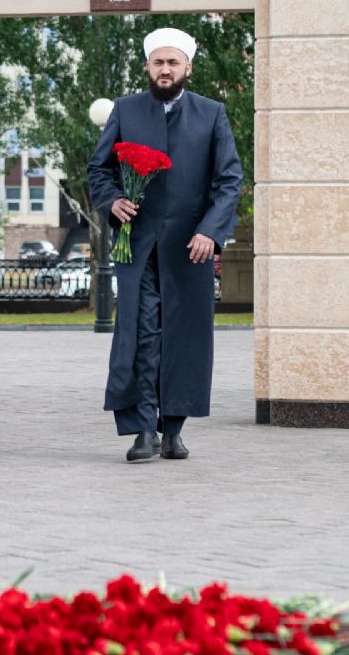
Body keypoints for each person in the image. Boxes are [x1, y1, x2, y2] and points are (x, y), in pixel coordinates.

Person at [87, 27, 244, 463]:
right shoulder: (126, 110)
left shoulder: (211, 114)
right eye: (158, 62)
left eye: (173, 62)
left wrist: (211, 231)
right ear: (147, 66)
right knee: (140, 335)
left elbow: (229, 180)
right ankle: (142, 431)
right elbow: (98, 171)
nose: (165, 69)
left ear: (187, 67)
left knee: (185, 337)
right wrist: (112, 200)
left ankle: (173, 429)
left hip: (190, 249)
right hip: (137, 248)